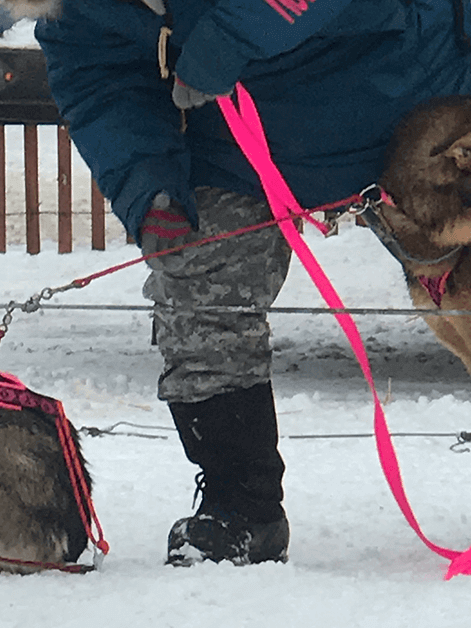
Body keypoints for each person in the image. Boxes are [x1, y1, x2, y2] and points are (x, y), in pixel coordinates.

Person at [32, 0, 471, 566]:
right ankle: (241, 509)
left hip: (417, 94)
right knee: (196, 287)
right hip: (240, 149)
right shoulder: (74, 14)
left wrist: (230, 36)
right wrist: (152, 190)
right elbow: (102, 90)